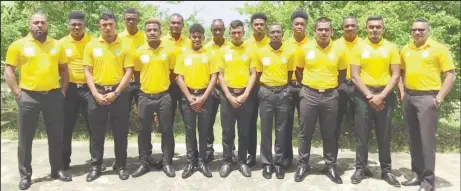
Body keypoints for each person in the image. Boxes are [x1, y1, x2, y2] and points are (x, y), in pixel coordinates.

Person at [4, 12, 72, 190]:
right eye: (36, 22)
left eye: (42, 22)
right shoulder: (18, 45)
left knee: (56, 137)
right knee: (25, 139)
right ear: (30, 25)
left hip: (53, 96)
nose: (39, 25)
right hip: (28, 97)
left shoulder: (57, 45)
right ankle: (25, 175)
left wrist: (63, 92)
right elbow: (9, 71)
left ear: (47, 25)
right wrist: (18, 94)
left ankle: (56, 170)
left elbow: (64, 70)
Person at [399, 18, 456, 191]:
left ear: (428, 31)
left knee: (426, 141)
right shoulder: (406, 49)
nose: (417, 33)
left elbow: (451, 75)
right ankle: (416, 175)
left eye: (421, 30)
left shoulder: (438, 49)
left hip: (427, 98)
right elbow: (401, 72)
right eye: (414, 30)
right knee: (413, 139)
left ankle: (428, 182)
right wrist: (402, 92)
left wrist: (439, 97)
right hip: (409, 97)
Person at [294, 17, 347, 184]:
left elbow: (342, 74)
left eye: (326, 30)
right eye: (320, 29)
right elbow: (298, 70)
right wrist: (311, 86)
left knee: (330, 133)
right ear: (314, 31)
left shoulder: (340, 50)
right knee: (305, 132)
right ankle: (303, 164)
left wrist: (329, 87)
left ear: (331, 31)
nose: (323, 32)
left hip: (330, 96)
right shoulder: (305, 49)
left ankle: (330, 166)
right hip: (309, 94)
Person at [349, 15, 401, 187]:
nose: (375, 30)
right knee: (361, 134)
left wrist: (381, 96)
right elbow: (355, 75)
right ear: (366, 28)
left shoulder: (391, 47)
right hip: (363, 95)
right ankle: (360, 168)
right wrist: (370, 96)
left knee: (384, 134)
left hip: (384, 94)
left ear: (383, 28)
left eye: (378, 26)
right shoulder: (358, 47)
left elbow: (395, 75)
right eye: (371, 27)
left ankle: (386, 170)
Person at [83, 12, 133, 182]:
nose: (107, 28)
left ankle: (121, 165)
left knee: (120, 133)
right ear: (99, 26)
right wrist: (96, 94)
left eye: (110, 24)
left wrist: (116, 92)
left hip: (118, 94)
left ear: (116, 25)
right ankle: (96, 166)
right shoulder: (91, 45)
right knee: (96, 133)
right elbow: (87, 72)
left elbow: (129, 72)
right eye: (104, 25)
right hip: (96, 94)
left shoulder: (125, 45)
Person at [131, 18, 176, 178]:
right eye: (149, 30)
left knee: (167, 130)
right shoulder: (139, 51)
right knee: (143, 130)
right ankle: (144, 163)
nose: (151, 32)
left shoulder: (169, 50)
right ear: (145, 32)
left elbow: (172, 72)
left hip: (164, 96)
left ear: (160, 32)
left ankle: (166, 162)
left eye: (154, 30)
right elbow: (136, 73)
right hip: (145, 96)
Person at [174, 23, 218, 179]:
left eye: (200, 36)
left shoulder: (210, 54)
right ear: (190, 37)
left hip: (205, 97)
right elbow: (179, 77)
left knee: (204, 130)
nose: (197, 39)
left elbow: (214, 77)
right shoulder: (182, 55)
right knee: (189, 130)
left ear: (203, 37)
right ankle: (190, 162)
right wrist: (190, 97)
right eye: (194, 36)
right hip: (188, 97)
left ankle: (202, 161)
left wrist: (204, 97)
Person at [216, 20, 256, 178]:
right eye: (233, 33)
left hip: (246, 95)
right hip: (227, 95)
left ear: (243, 32)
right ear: (229, 33)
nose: (237, 35)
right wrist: (228, 95)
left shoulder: (250, 50)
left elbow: (253, 73)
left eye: (239, 32)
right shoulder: (223, 51)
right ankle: (227, 161)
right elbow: (219, 75)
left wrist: (245, 94)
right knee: (227, 131)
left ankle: (242, 162)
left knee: (244, 131)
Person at [255, 24, 294, 179]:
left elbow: (290, 73)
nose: (275, 34)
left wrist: (284, 88)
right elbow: (257, 74)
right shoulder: (261, 52)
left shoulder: (289, 52)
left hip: (283, 92)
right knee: (265, 129)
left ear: (282, 34)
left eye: (278, 32)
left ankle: (279, 163)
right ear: (268, 35)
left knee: (282, 129)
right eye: (272, 32)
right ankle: (266, 163)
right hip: (266, 92)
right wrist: (267, 88)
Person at [59, 10, 94, 171]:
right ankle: (64, 163)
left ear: (84, 25)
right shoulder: (61, 43)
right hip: (70, 89)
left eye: (79, 24)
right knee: (66, 128)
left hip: (90, 89)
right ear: (69, 25)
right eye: (73, 24)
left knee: (94, 127)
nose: (76, 27)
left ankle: (96, 163)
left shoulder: (93, 42)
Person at [283, 10, 309, 169]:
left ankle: (303, 160)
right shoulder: (285, 44)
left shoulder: (312, 44)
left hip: (305, 88)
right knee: (285, 124)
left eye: (302, 24)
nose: (299, 26)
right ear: (292, 25)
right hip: (288, 87)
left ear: (306, 25)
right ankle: (286, 158)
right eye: (296, 24)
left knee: (305, 126)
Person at [334, 15, 362, 157]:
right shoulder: (334, 45)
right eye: (347, 26)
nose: (350, 28)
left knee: (361, 127)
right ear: (342, 28)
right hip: (340, 87)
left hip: (359, 88)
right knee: (334, 126)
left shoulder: (364, 44)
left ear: (357, 27)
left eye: (352, 25)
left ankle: (361, 164)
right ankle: (331, 163)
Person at [245, 12, 270, 167]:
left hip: (268, 89)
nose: (259, 26)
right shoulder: (247, 44)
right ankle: (251, 154)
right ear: (252, 26)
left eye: (261, 24)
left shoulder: (273, 42)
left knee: (267, 125)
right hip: (252, 89)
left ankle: (269, 157)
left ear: (265, 25)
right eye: (256, 24)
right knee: (250, 123)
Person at [203, 19, 228, 163]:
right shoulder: (206, 48)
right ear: (211, 30)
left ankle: (229, 151)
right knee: (208, 121)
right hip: (211, 88)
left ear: (224, 29)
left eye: (220, 29)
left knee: (228, 123)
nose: (217, 32)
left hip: (226, 89)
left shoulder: (231, 47)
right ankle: (208, 150)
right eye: (214, 29)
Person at [119, 8, 145, 126]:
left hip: (142, 82)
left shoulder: (145, 37)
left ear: (138, 19)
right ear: (124, 20)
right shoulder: (118, 38)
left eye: (133, 19)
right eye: (128, 19)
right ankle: (121, 144)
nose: (131, 21)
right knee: (122, 115)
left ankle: (145, 145)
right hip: (124, 82)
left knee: (144, 117)